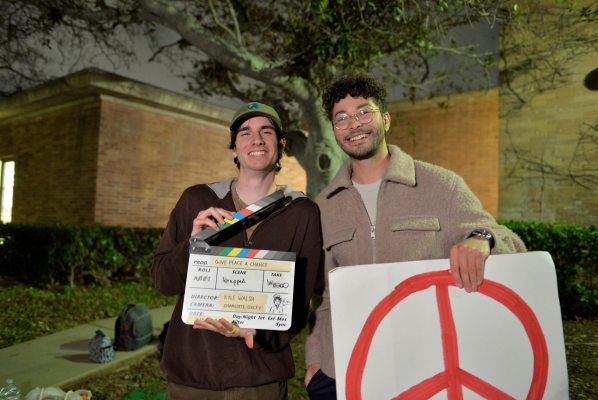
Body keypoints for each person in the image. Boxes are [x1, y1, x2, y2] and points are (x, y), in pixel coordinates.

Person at [303, 73, 526, 399]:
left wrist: (482, 238)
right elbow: (323, 300)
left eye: (364, 111)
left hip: (428, 368)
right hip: (348, 370)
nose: (354, 123)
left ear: (386, 119)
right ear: (335, 130)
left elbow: (511, 242)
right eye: (342, 118)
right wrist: (315, 362)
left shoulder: (442, 185)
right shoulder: (323, 206)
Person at [151, 102, 323, 399]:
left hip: (260, 380)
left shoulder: (302, 211)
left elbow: (300, 300)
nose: (256, 140)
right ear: (233, 148)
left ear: (281, 145)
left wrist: (260, 334)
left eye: (266, 131)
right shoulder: (197, 199)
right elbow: (162, 282)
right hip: (192, 378)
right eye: (245, 133)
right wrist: (192, 245)